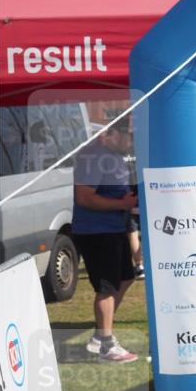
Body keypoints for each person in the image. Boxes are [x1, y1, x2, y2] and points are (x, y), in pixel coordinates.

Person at [74, 123, 140, 363]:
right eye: (129, 136)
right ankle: (106, 344)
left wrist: (126, 201)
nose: (132, 142)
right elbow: (84, 198)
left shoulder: (113, 155)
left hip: (114, 228)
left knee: (125, 278)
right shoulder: (93, 156)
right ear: (111, 134)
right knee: (107, 287)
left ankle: (100, 336)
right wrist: (122, 204)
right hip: (96, 232)